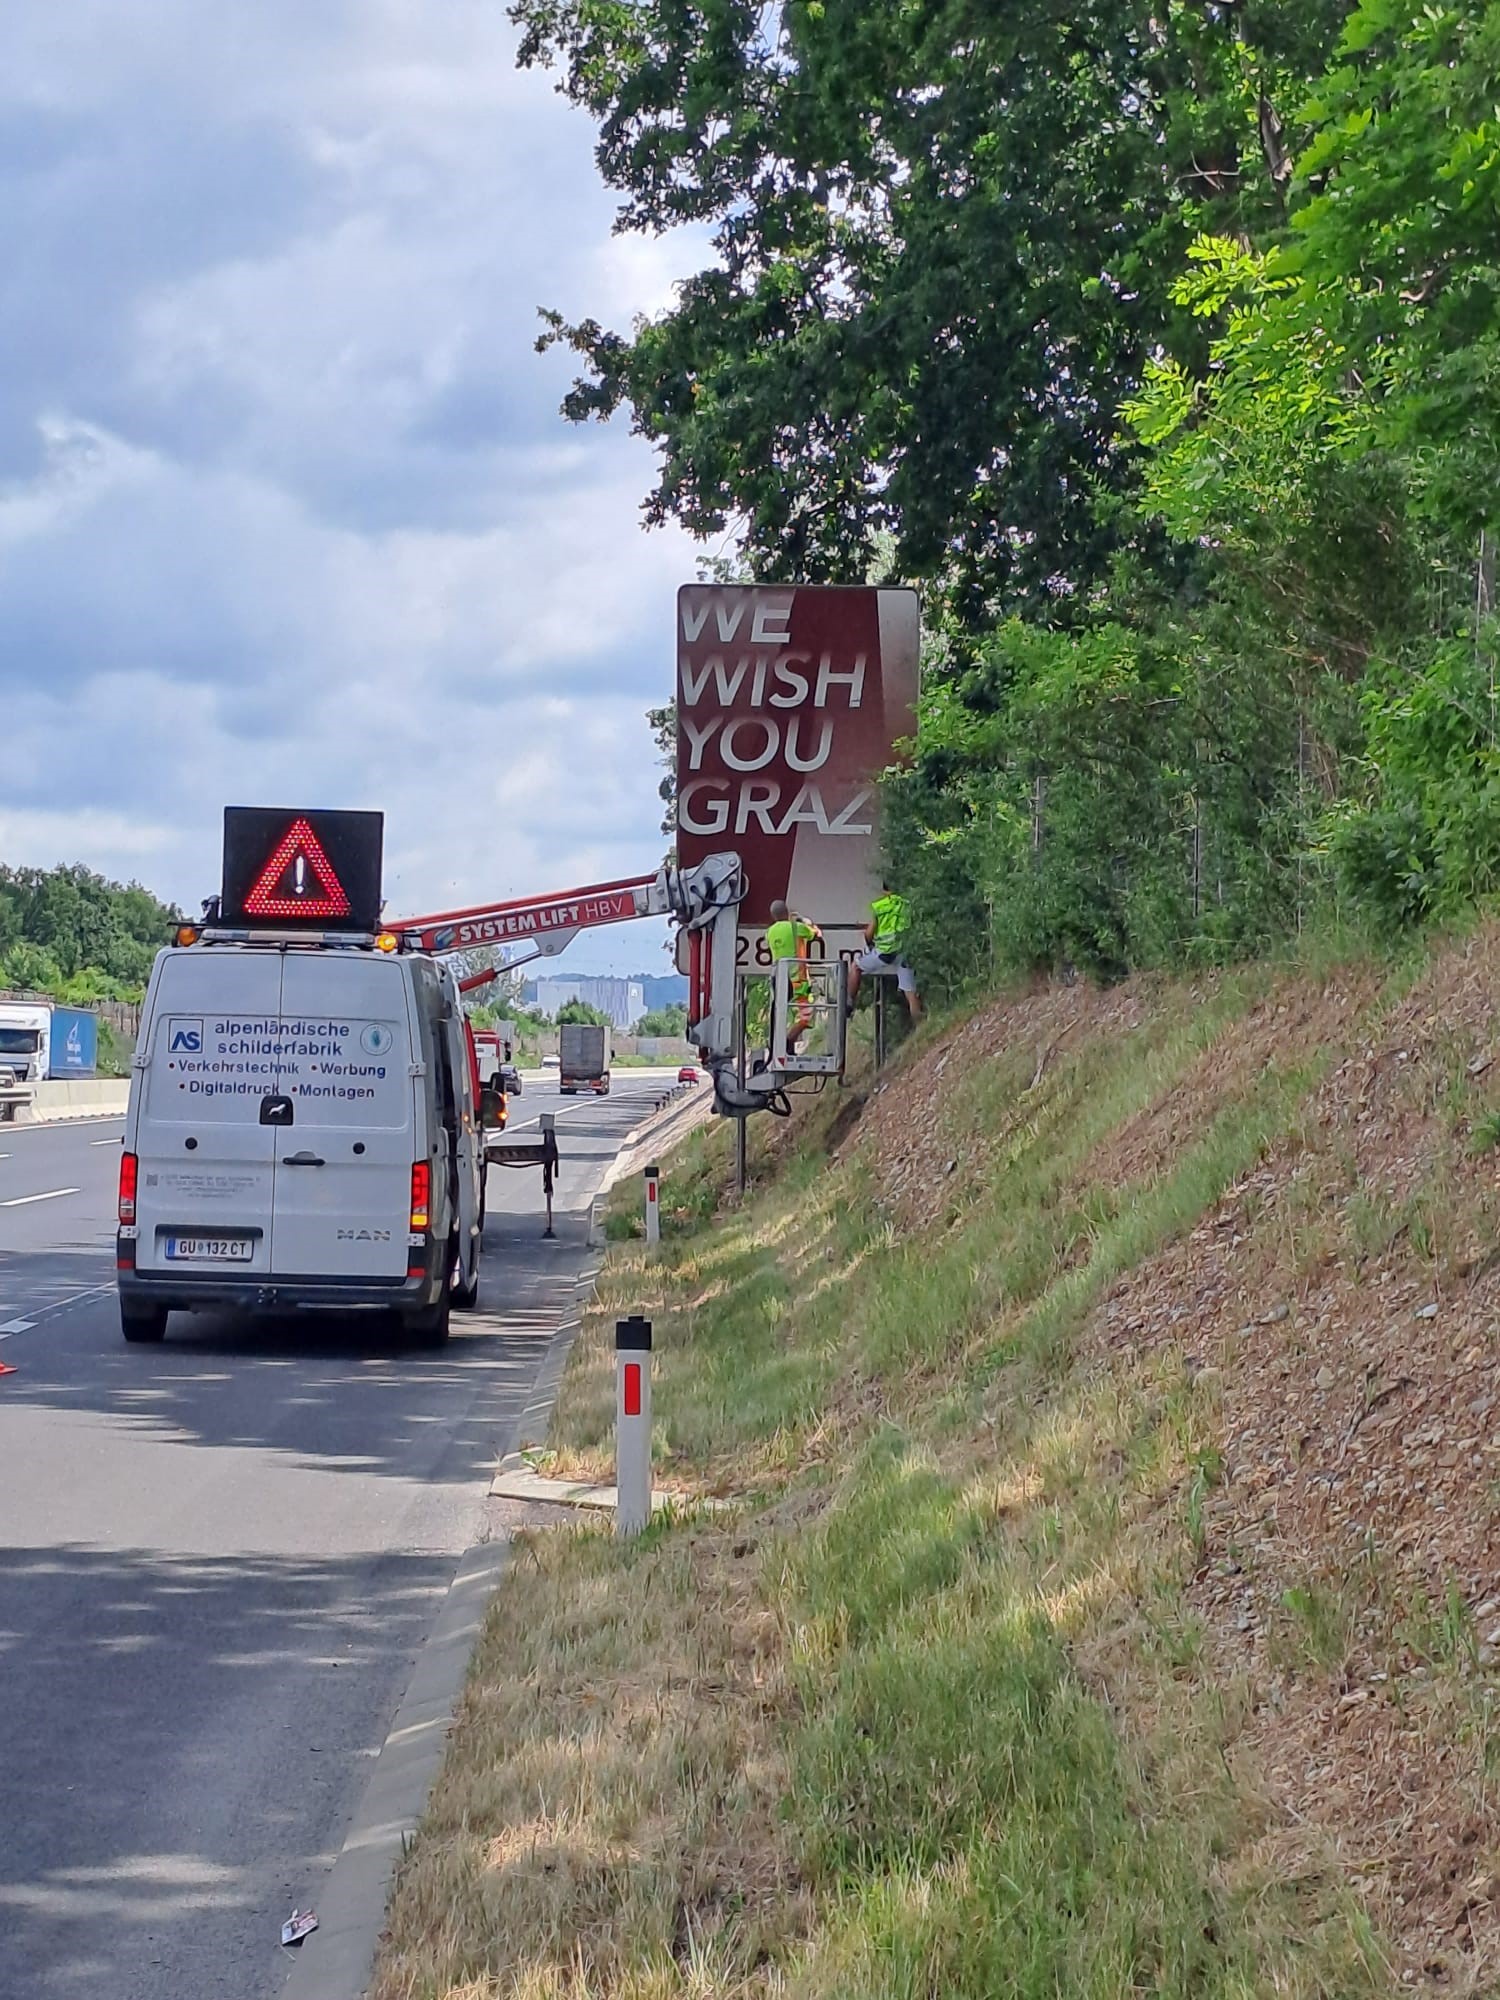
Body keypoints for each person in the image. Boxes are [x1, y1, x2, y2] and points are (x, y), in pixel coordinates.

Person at [847, 882, 922, 1023]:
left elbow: (870, 934)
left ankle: (848, 1004)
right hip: (905, 952)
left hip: (885, 952)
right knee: (910, 992)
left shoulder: (880, 906)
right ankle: (921, 1028)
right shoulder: (908, 904)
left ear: (884, 891)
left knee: (855, 967)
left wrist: (866, 935)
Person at [765, 897, 821, 1051]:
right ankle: (786, 1043)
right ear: (787, 912)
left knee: (783, 1013)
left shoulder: (770, 932)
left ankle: (782, 1044)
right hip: (798, 981)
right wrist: (807, 922)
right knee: (806, 1017)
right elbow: (816, 934)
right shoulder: (796, 928)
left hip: (779, 980)